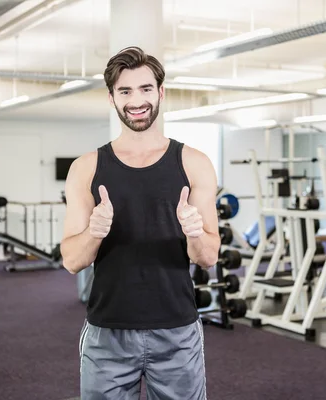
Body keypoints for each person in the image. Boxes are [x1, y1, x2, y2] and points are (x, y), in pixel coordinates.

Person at [60, 46, 221, 400]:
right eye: (125, 91)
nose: (137, 100)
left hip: (177, 330)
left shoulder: (194, 163)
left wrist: (194, 232)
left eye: (145, 89)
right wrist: (95, 232)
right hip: (108, 333)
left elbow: (208, 256)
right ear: (111, 97)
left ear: (160, 93)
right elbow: (72, 260)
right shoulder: (86, 168)